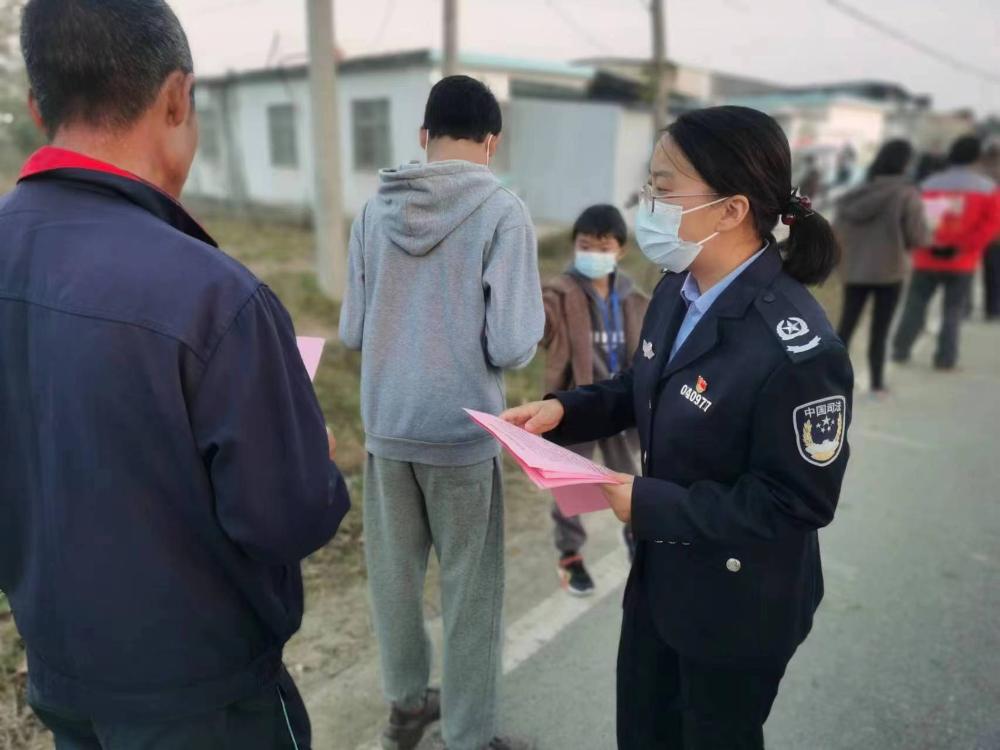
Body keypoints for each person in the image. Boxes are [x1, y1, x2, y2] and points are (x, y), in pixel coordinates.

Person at [0, 2, 351, 749]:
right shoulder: (215, 297)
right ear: (176, 98)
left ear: (36, 108)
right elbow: (287, 518)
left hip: (61, 681)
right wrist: (312, 458)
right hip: (206, 702)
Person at [503, 106, 853, 749]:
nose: (649, 205)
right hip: (660, 578)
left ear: (731, 210)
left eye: (664, 189)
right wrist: (566, 410)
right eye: (649, 186)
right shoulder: (676, 289)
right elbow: (644, 382)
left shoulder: (797, 349)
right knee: (642, 732)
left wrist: (649, 504)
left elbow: (796, 502)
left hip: (738, 606)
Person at [339, 75, 543, 750]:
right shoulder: (503, 212)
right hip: (463, 434)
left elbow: (352, 330)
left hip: (388, 428)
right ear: (492, 142)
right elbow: (511, 345)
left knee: (394, 583)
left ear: (424, 136)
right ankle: (468, 735)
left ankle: (405, 707)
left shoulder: (373, 212)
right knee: (471, 592)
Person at [541, 204, 648, 594]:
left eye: (604, 249)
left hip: (619, 406)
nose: (594, 255)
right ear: (574, 246)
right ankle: (569, 554)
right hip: (576, 405)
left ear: (621, 250)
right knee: (569, 482)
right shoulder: (559, 292)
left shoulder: (633, 297)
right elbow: (541, 324)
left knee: (629, 475)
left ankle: (637, 535)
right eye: (585, 246)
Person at [892, 135, 1000, 370]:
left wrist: (930, 243)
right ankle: (945, 359)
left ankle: (901, 350)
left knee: (915, 305)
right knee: (953, 311)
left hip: (926, 257)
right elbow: (992, 225)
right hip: (962, 261)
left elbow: (917, 220)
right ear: (977, 157)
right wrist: (963, 247)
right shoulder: (988, 189)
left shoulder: (929, 184)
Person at [834, 139, 930, 394]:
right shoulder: (906, 195)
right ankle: (876, 384)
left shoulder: (855, 194)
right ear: (905, 163)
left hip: (854, 269)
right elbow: (917, 236)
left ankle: (829, 379)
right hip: (890, 270)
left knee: (846, 326)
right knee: (880, 329)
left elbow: (838, 231)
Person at [979, 141, 1000, 320]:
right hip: (994, 231)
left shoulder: (979, 173)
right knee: (994, 271)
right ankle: (993, 309)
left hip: (983, 230)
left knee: (990, 272)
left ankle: (991, 308)